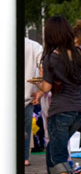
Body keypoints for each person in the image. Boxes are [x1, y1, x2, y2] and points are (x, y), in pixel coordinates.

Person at [30, 15, 81, 174]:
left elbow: (47, 87)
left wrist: (37, 86)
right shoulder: (79, 53)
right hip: (78, 112)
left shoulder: (51, 58)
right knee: (53, 151)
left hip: (60, 112)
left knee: (58, 156)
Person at [25, 37, 43, 166]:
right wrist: (40, 91)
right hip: (28, 95)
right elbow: (44, 68)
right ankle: (24, 157)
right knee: (26, 129)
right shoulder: (34, 46)